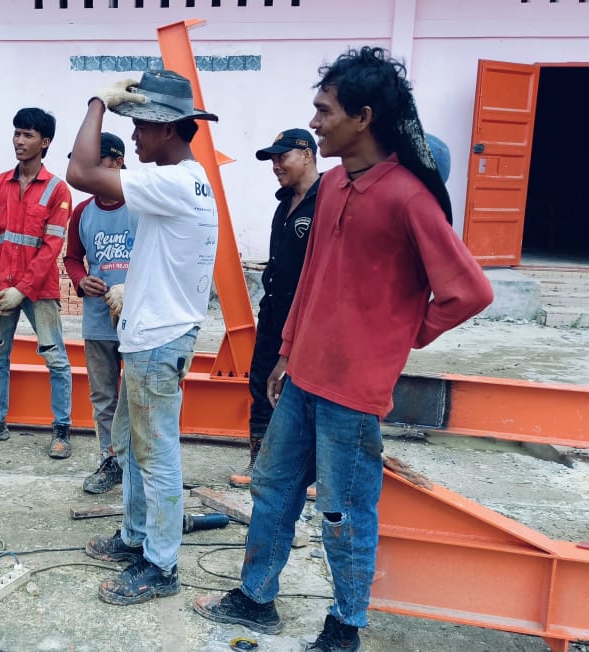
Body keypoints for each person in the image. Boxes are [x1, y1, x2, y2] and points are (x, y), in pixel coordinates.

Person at [192, 47, 494, 650]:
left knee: (343, 515)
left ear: (362, 116)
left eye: (324, 111)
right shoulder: (330, 187)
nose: (317, 121)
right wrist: (285, 351)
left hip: (353, 395)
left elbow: (469, 291)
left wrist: (402, 334)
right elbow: (311, 278)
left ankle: (346, 625)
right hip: (302, 376)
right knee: (272, 488)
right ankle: (256, 598)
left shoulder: (408, 196)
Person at [66, 70, 219, 605]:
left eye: (141, 128)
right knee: (134, 449)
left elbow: (80, 171)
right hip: (154, 335)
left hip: (158, 340)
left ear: (169, 129)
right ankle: (136, 538)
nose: (132, 139)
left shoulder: (174, 181)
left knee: (156, 456)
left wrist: (97, 103)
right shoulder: (188, 180)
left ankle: (161, 565)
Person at [0, 108, 75, 459]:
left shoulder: (57, 190)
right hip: (0, 287)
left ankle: (62, 429)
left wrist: (21, 290)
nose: (19, 141)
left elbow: (51, 247)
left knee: (55, 357)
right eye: (17, 133)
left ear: (45, 142)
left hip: (38, 290)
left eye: (27, 135)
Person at [229, 128, 321, 488]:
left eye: (282, 157)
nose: (275, 166)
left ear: (308, 155)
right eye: (272, 159)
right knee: (261, 382)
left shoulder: (327, 199)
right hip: (274, 313)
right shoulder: (284, 204)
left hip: (312, 315)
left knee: (307, 389)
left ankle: (311, 472)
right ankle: (260, 463)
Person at [62, 132, 139, 494]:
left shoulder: (140, 205)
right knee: (104, 397)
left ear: (118, 162)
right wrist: (81, 281)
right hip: (97, 320)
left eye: (99, 162)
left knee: (137, 395)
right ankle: (111, 460)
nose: (92, 171)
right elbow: (72, 258)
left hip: (140, 321)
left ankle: (137, 464)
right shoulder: (82, 212)